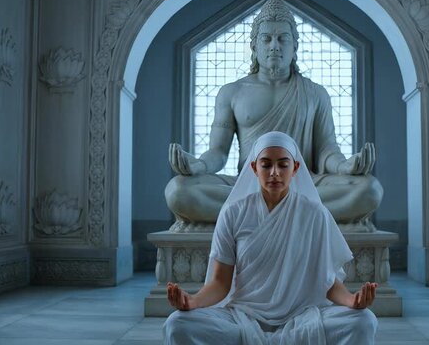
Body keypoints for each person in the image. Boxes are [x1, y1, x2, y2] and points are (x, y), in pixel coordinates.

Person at [165, 0, 383, 230]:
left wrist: (344, 167)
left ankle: (260, 212)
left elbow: (326, 150)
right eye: (266, 38)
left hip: (304, 183)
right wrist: (198, 165)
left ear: (295, 46)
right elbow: (218, 152)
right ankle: (293, 212)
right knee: (179, 190)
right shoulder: (232, 92)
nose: (274, 46)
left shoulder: (315, 93)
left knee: (369, 189)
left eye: (283, 38)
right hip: (249, 184)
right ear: (254, 46)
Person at [162, 131, 379, 344]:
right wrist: (193, 301)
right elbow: (220, 282)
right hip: (243, 317)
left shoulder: (315, 214)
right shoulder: (234, 212)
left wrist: (353, 301)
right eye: (266, 164)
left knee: (364, 321)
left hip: (301, 317)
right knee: (178, 324)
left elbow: (326, 281)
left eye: (283, 164)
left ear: (295, 168)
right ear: (254, 168)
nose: (274, 172)